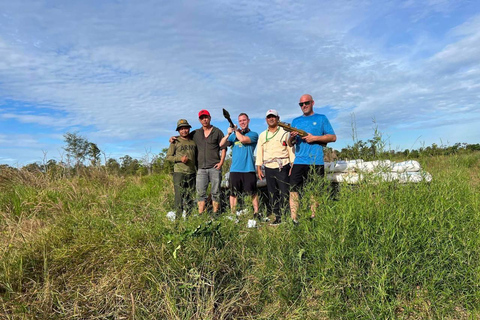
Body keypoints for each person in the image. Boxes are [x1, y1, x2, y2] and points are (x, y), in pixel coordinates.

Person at [289, 94, 336, 223]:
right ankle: (294, 219)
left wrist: (314, 138)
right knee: (293, 190)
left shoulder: (321, 118)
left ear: (312, 103)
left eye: (306, 103)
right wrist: (292, 137)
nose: (304, 106)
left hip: (316, 161)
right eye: (301, 104)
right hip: (299, 161)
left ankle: (313, 217)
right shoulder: (296, 121)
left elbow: (332, 137)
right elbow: (289, 143)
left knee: (314, 191)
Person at [255, 109, 295, 225]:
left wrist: (292, 164)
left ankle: (287, 215)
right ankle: (277, 216)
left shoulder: (284, 132)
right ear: (266, 120)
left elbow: (290, 148)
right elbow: (259, 151)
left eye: (273, 117)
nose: (271, 119)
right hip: (268, 166)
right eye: (269, 117)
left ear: (278, 118)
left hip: (283, 165)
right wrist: (258, 167)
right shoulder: (263, 135)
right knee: (272, 192)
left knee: (284, 191)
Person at [219, 113, 260, 217]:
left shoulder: (253, 134)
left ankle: (256, 213)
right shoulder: (233, 136)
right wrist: (228, 134)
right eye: (240, 121)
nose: (242, 122)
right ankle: (233, 214)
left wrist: (236, 131)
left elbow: (243, 140)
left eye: (244, 120)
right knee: (233, 193)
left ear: (248, 120)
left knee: (252, 193)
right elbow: (221, 144)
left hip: (248, 168)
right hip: (235, 169)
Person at [192, 110, 227, 214]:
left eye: (206, 117)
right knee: (200, 192)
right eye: (202, 118)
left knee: (216, 192)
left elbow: (223, 148)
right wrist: (173, 138)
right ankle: (200, 213)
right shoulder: (196, 133)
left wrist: (221, 163)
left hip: (214, 167)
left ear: (210, 118)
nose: (204, 120)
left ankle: (215, 213)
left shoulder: (217, 131)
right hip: (201, 168)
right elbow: (184, 137)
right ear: (199, 120)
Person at [166, 119, 197, 218]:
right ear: (178, 130)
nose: (184, 131)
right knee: (179, 197)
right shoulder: (175, 141)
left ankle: (189, 217)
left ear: (189, 129)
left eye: (186, 128)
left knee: (190, 196)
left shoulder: (193, 142)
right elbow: (168, 157)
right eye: (182, 129)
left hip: (191, 173)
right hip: (179, 173)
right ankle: (178, 219)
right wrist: (180, 159)